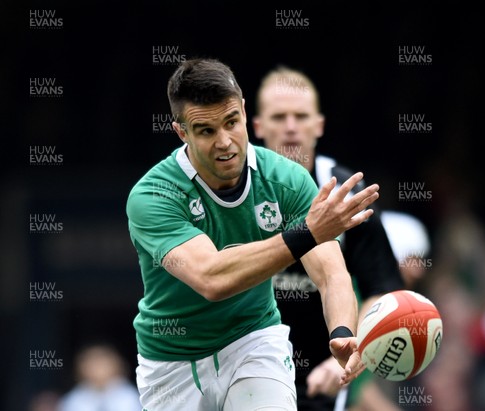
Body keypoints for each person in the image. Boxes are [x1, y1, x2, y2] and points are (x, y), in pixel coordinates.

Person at [126, 58, 380, 411]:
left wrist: (341, 333)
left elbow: (332, 273)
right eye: (206, 130)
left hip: (253, 340)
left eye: (232, 122)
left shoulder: (286, 180)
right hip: (172, 362)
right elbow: (211, 278)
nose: (225, 142)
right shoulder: (153, 195)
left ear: (245, 112)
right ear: (181, 132)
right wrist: (306, 233)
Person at [252, 65, 405, 410]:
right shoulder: (235, 193)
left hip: (321, 378)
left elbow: (382, 290)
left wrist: (349, 353)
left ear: (318, 125)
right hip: (246, 366)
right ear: (258, 126)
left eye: (300, 116)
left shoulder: (349, 193)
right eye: (279, 117)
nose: (290, 126)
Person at [58, 343, 141, 411]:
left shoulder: (130, 395)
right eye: (91, 364)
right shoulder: (74, 399)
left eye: (102, 363)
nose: (97, 368)